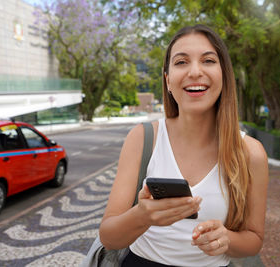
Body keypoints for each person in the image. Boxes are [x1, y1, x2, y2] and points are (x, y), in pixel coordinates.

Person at [99, 24, 269, 267]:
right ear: (168, 81)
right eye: (181, 62)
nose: (195, 72)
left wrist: (227, 239)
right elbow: (108, 237)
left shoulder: (251, 153)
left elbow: (254, 239)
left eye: (208, 60)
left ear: (224, 75)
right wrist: (141, 216)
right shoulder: (143, 138)